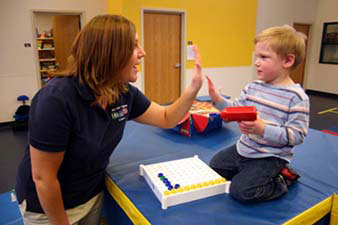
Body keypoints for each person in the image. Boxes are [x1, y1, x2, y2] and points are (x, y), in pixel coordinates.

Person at [15, 14, 203, 225]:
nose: (143, 53)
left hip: (91, 196)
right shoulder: (56, 99)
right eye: (134, 46)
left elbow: (167, 118)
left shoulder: (123, 93)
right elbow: (43, 178)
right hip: (48, 208)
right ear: (110, 53)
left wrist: (193, 88)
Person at [206, 25, 309, 203]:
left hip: (270, 156)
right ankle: (248, 173)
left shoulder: (296, 97)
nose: (256, 62)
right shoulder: (253, 87)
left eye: (264, 57)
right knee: (214, 167)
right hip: (245, 147)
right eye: (256, 56)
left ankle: (281, 180)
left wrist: (263, 129)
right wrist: (218, 98)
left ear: (287, 61)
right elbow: (235, 109)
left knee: (241, 192)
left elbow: (297, 135)